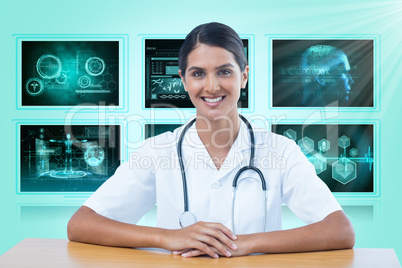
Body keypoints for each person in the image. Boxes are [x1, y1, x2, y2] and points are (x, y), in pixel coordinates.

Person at [67, 22, 355, 258]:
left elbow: (340, 230)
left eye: (224, 72)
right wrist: (168, 238)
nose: (212, 86)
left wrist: (245, 243)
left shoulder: (280, 150)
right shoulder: (158, 151)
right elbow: (81, 225)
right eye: (198, 74)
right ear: (184, 80)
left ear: (243, 77)